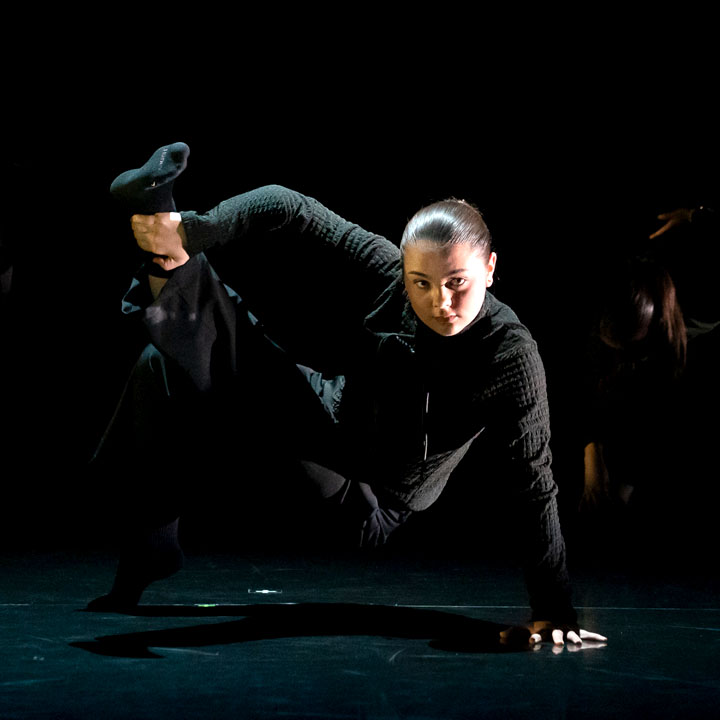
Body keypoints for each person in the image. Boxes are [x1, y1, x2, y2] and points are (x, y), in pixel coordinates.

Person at [87, 143, 606, 648]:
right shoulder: (391, 276)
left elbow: (533, 483)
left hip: (371, 499)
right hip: (329, 420)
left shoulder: (511, 357)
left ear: (490, 268)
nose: (439, 302)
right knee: (166, 363)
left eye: (457, 282)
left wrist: (553, 607)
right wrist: (199, 229)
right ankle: (164, 217)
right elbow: (290, 207)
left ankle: (164, 228)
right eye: (420, 282)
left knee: (210, 365)